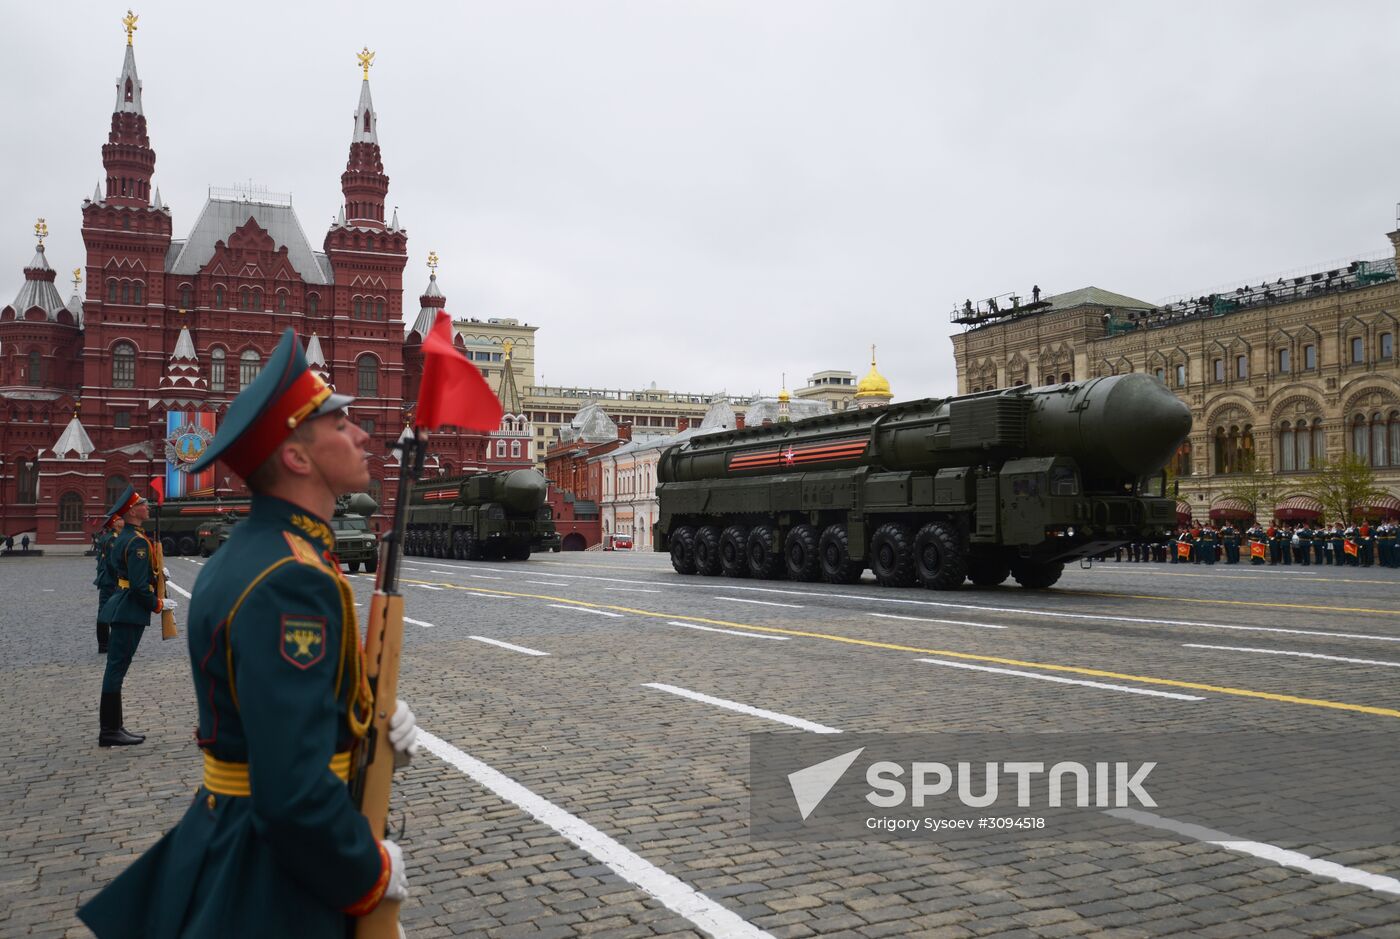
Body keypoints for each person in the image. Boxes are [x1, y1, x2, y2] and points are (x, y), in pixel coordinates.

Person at [80, 329, 418, 938]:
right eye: (341, 426)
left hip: (233, 838)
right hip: (271, 880)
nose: (363, 435)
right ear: (296, 457)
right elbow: (291, 793)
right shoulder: (292, 577)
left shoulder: (256, 552)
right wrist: (366, 870)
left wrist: (360, 715)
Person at [94, 486, 167, 747]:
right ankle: (110, 730)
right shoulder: (136, 542)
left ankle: (113, 727)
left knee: (116, 667)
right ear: (133, 511)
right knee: (116, 668)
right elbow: (137, 586)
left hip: (121, 605)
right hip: (129, 611)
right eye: (143, 504)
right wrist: (158, 604)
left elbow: (120, 572)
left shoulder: (124, 537)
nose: (148, 507)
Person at [92, 511, 126, 654]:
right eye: (120, 520)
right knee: (107, 612)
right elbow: (113, 564)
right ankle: (105, 644)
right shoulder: (112, 539)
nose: (123, 522)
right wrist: (120, 579)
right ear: (115, 523)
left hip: (108, 580)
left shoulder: (111, 537)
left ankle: (105, 644)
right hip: (110, 581)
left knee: (106, 611)